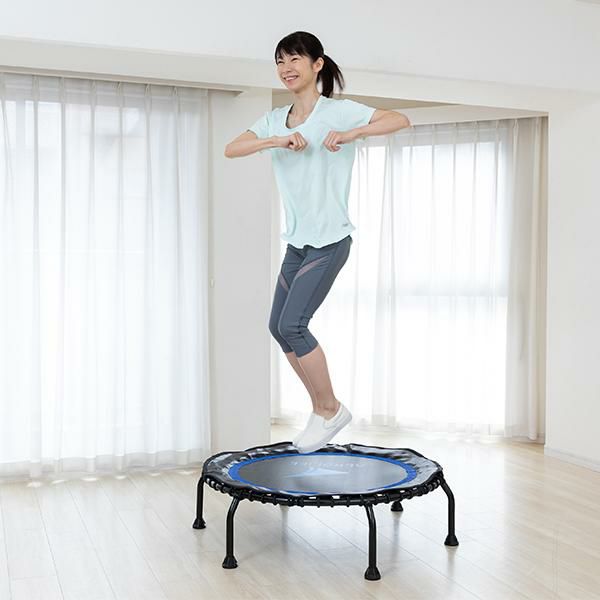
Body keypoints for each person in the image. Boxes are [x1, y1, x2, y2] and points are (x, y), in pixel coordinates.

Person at [224, 31, 411, 453]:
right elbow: (232, 149)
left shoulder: (338, 112)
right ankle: (323, 411)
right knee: (278, 327)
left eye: (294, 59)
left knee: (294, 324)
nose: (286, 68)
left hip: (330, 240)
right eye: (280, 61)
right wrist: (276, 140)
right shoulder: (274, 119)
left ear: (317, 64)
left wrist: (353, 134)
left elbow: (399, 119)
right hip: (298, 243)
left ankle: (329, 409)